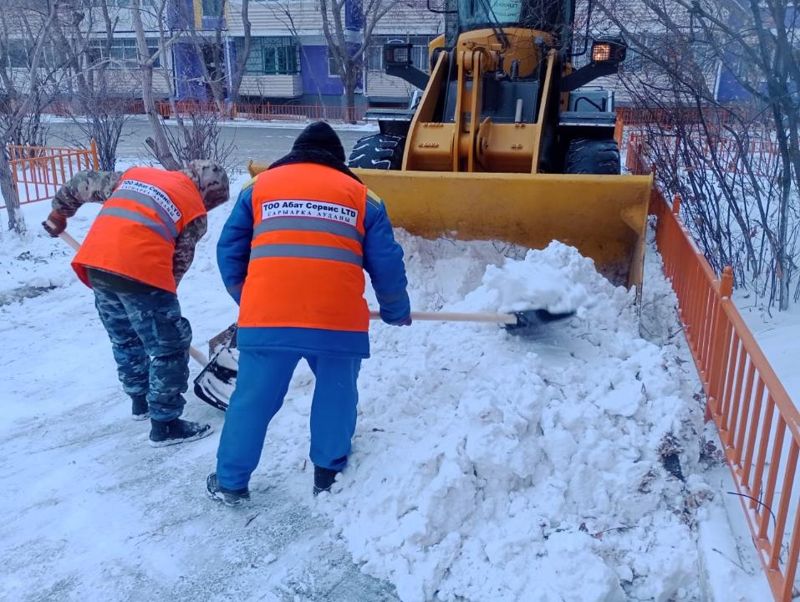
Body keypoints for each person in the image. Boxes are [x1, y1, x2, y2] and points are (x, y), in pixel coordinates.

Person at [207, 122, 411, 506]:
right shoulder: (364, 198)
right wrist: (396, 309)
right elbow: (387, 263)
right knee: (337, 394)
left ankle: (231, 483)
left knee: (252, 400)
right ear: (339, 161)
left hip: (267, 318)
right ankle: (327, 474)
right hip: (337, 320)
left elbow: (228, 251)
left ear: (294, 153)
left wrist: (249, 299)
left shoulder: (258, 189)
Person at [42, 160, 230, 447]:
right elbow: (178, 262)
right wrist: (162, 310)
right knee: (170, 344)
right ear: (207, 193)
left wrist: (59, 213)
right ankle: (166, 425)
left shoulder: (136, 175)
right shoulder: (194, 209)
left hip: (97, 264)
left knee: (125, 336)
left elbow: (83, 181)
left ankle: (140, 401)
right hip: (140, 270)